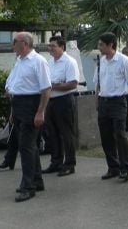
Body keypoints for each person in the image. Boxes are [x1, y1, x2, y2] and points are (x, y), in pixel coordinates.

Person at [5, 32, 52, 202]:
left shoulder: (38, 61)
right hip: (19, 105)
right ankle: (37, 180)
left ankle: (28, 186)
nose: (12, 45)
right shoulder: (19, 61)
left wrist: (40, 111)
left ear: (24, 43)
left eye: (14, 42)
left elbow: (46, 89)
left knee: (26, 147)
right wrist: (13, 111)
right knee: (28, 146)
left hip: (31, 105)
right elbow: (13, 84)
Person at [94, 32, 128, 182]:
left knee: (120, 135)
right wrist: (97, 100)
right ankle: (113, 167)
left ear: (111, 44)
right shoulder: (101, 61)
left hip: (118, 101)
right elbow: (98, 81)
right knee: (105, 136)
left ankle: (126, 168)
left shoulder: (124, 61)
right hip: (103, 101)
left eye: (101, 45)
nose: (99, 48)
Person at [42, 35, 79, 176]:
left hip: (64, 101)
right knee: (53, 133)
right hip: (50, 101)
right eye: (49, 46)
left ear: (62, 47)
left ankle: (70, 163)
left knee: (66, 133)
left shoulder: (69, 62)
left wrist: (53, 86)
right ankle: (56, 161)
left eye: (53, 46)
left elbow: (72, 83)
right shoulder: (49, 62)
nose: (51, 49)